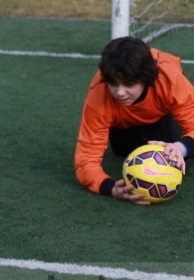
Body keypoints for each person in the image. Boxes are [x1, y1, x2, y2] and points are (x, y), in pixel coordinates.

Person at [74, 36, 194, 203]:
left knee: (179, 161)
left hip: (161, 116)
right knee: (123, 152)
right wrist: (111, 188)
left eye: (128, 84)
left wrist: (182, 147)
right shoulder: (99, 94)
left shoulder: (169, 78)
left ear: (145, 79)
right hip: (122, 126)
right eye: (113, 84)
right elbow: (85, 161)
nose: (120, 92)